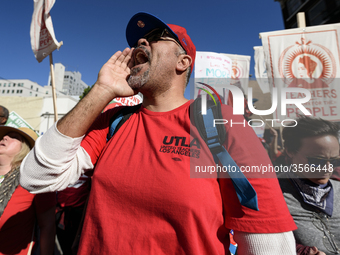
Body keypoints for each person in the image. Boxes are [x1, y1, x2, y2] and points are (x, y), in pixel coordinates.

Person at [20, 12, 296, 254]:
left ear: (183, 62)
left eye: (156, 37)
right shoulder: (114, 121)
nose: (140, 43)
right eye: (139, 40)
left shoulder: (219, 121)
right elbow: (36, 176)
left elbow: (266, 237)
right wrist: (103, 90)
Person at [279, 116, 340, 255]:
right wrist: (300, 250)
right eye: (316, 161)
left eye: (335, 161)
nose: (327, 168)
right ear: (290, 151)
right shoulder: (273, 195)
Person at [0, 126, 56, 255]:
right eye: (4, 136)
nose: (4, 137)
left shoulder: (36, 181)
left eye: (14, 137)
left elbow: (47, 226)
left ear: (25, 149)